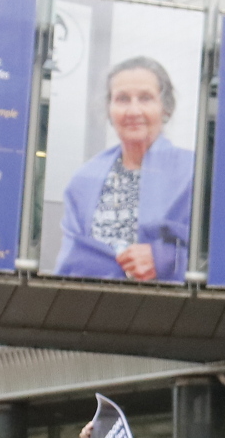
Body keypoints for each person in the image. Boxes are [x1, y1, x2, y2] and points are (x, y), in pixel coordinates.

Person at [56, 55, 195, 281]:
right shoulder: (84, 179)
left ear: (166, 108)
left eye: (146, 98)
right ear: (109, 110)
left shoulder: (193, 173)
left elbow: (219, 252)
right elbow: (70, 259)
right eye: (122, 99)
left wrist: (165, 259)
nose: (133, 111)